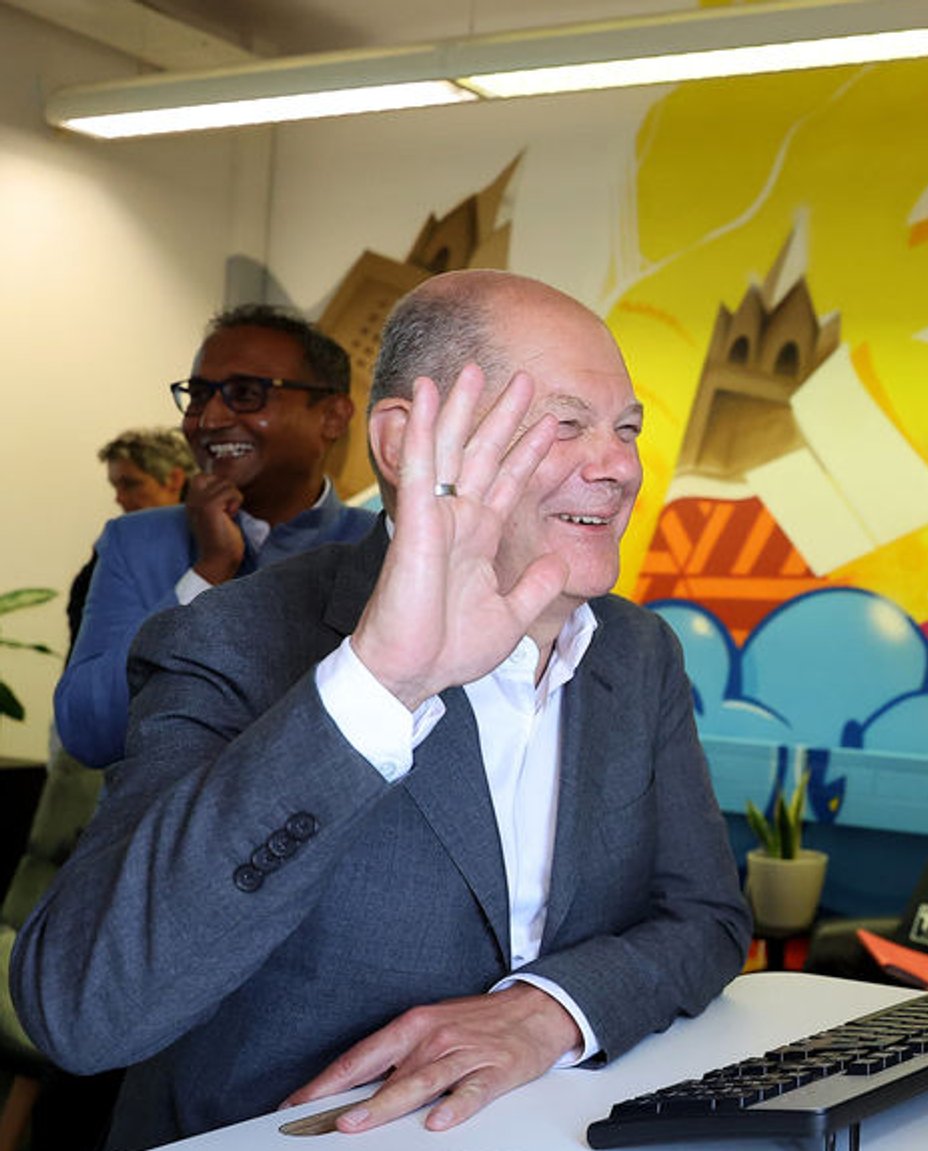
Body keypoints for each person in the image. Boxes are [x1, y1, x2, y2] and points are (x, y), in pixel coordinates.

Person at [11, 270, 752, 1149]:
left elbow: (706, 919)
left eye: (627, 429)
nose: (619, 465)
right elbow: (83, 1009)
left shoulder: (638, 652)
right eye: (565, 423)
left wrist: (549, 1011)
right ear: (405, 444)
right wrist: (378, 686)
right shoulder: (234, 640)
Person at [55, 306, 378, 767]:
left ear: (331, 416)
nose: (208, 419)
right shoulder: (136, 542)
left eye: (246, 394)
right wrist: (207, 574)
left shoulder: (377, 548)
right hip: (156, 832)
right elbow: (88, 732)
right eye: (199, 395)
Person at [65, 428, 195, 646]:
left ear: (174, 479)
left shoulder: (218, 543)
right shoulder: (116, 548)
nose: (119, 498)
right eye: (115, 486)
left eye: (131, 484)